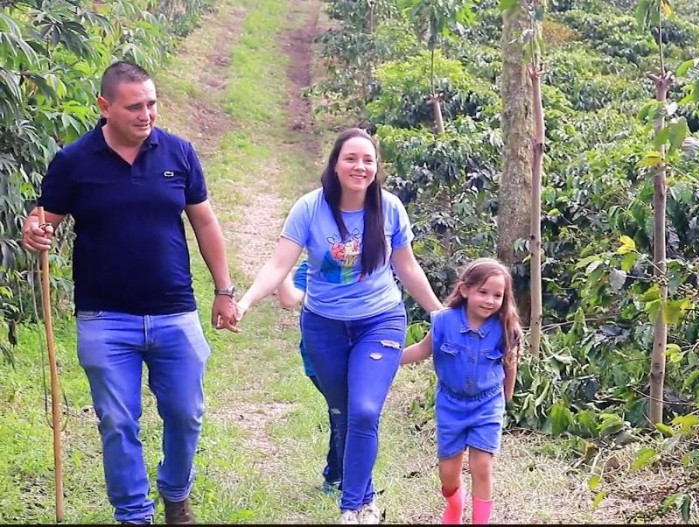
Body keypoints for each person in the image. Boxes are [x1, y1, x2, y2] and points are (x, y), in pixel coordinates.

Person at [20, 60, 239, 525]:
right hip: (104, 318)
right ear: (105, 107)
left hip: (174, 313)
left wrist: (224, 290)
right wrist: (35, 230)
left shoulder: (178, 153)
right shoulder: (74, 162)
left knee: (186, 415)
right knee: (118, 423)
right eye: (135, 106)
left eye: (152, 104)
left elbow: (204, 221)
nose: (147, 114)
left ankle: (175, 494)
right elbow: (46, 219)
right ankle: (133, 515)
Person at [234, 127, 443, 524]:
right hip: (323, 326)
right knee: (344, 412)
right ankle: (365, 501)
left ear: (377, 167)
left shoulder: (390, 208)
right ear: (335, 164)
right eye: (351, 158)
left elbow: (406, 266)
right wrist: (245, 301)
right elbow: (280, 264)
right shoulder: (310, 209)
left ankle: (350, 510)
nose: (359, 167)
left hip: (379, 321)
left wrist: (438, 312)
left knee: (364, 411)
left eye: (368, 160)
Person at [400, 258, 522, 525]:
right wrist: (390, 359)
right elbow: (423, 350)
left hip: (487, 403)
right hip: (450, 404)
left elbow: (510, 363)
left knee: (482, 467)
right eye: (483, 292)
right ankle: (454, 506)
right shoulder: (444, 321)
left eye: (497, 295)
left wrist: (507, 397)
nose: (490, 300)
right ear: (465, 290)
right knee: (448, 474)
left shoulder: (505, 327)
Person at [274, 258, 342, 493]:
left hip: (356, 352)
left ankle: (338, 476)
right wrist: (280, 265)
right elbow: (289, 299)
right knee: (343, 412)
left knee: (350, 413)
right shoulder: (312, 265)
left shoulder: (366, 263)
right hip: (320, 356)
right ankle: (337, 477)